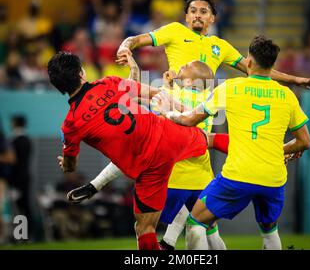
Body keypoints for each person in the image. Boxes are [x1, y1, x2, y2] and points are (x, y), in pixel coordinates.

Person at [153, 35, 310, 250]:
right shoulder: (287, 95)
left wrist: (167, 112)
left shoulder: (231, 88)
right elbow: (304, 141)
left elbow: (189, 120)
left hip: (238, 176)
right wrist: (282, 150)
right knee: (269, 231)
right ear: (272, 64)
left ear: (249, 62)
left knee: (195, 222)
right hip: (273, 178)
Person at [47, 51, 212, 250]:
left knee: (145, 229)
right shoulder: (109, 83)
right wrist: (183, 112)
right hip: (169, 143)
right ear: (82, 73)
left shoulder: (70, 125)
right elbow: (147, 93)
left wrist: (65, 165)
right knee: (210, 140)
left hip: (146, 168)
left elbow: (70, 166)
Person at [116, 0, 310, 90]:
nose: (197, 15)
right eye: (193, 11)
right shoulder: (174, 30)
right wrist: (125, 46)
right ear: (186, 17)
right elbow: (136, 39)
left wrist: (295, 80)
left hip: (204, 107)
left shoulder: (220, 46)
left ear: (212, 18)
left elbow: (257, 70)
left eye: (203, 12)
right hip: (172, 98)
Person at [9, 115, 34, 239]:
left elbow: (16, 163)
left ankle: (23, 235)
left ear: (15, 123)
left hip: (19, 180)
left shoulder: (17, 141)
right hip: (24, 177)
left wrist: (14, 182)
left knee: (21, 207)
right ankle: (24, 235)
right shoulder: (27, 140)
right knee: (23, 206)